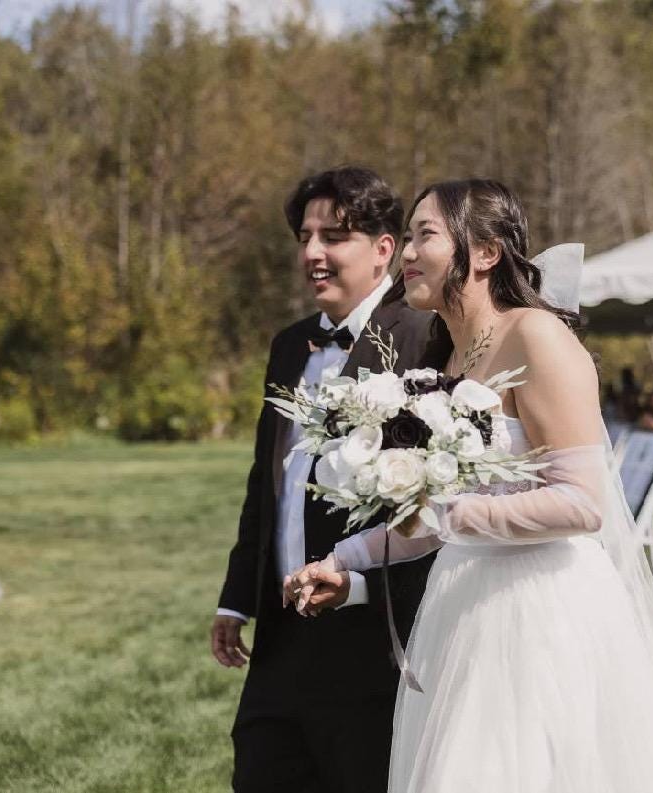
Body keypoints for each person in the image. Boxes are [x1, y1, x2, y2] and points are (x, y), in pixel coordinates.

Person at [286, 179, 653, 792]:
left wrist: (448, 512)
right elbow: (431, 518)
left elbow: (582, 503)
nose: (407, 255)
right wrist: (344, 561)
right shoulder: (452, 362)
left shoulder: (536, 335)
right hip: (462, 612)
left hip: (541, 612)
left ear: (487, 251)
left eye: (426, 236)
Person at [211, 166, 447, 793]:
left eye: (334, 236)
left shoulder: (427, 339)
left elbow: (444, 506)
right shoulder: (289, 345)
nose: (312, 252)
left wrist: (360, 588)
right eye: (305, 235)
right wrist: (238, 597)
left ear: (383, 250)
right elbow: (269, 482)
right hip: (283, 632)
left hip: (378, 644)